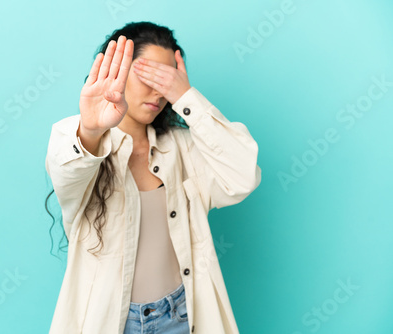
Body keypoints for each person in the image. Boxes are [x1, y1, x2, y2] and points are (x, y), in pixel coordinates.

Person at [45, 21, 262, 334]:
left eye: (166, 79)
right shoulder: (83, 146)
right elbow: (66, 170)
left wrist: (186, 97)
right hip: (111, 323)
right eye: (146, 74)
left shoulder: (183, 148)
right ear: (115, 72)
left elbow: (244, 175)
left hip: (180, 316)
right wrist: (91, 129)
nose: (158, 90)